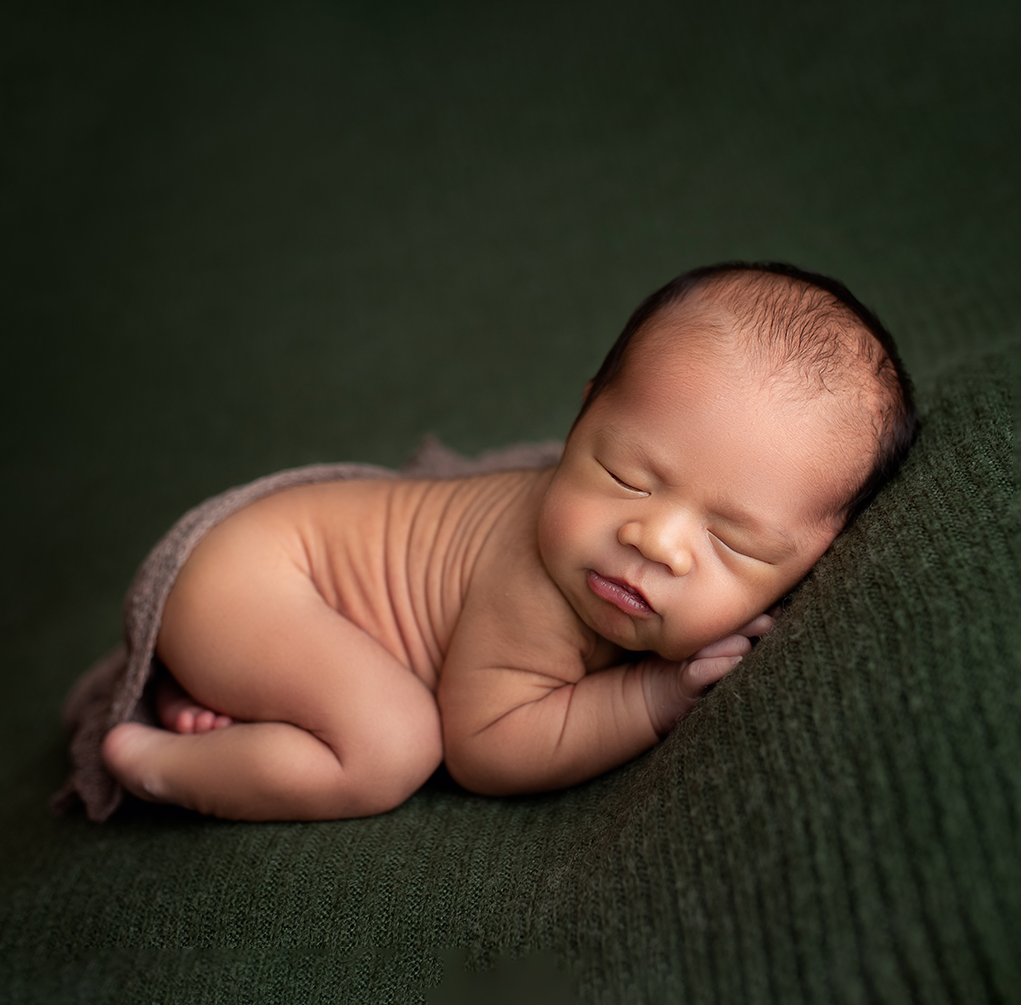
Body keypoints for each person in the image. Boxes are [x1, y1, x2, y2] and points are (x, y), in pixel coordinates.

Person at [101, 262, 917, 821]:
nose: (655, 540)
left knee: (364, 706)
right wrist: (651, 698)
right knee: (392, 745)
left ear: (817, 560)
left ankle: (219, 698)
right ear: (581, 416)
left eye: (736, 543)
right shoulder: (534, 583)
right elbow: (488, 749)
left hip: (270, 604)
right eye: (628, 477)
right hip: (255, 577)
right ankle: (155, 763)